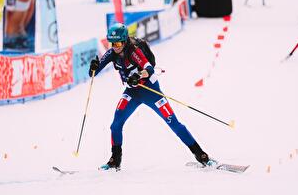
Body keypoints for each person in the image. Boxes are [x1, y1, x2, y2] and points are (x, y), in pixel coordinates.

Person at [88, 23, 212, 170]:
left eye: (119, 43)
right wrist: (93, 67)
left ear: (125, 41)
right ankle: (115, 160)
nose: (115, 46)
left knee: (174, 123)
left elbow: (149, 69)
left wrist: (138, 76)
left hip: (150, 91)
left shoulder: (134, 51)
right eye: (112, 43)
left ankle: (201, 155)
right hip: (132, 93)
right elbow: (92, 74)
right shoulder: (111, 53)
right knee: (115, 125)